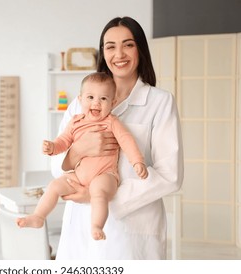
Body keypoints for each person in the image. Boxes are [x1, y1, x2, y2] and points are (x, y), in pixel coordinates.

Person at [52, 16, 184, 259]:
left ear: (140, 49)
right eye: (110, 46)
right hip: (80, 226)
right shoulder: (80, 103)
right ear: (103, 52)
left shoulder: (160, 102)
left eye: (128, 44)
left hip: (132, 231)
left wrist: (99, 195)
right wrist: (79, 151)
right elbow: (55, 163)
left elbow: (170, 175)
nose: (119, 53)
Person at [16, 73, 148, 240]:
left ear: (113, 103)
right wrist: (53, 147)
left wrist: (137, 161)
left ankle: (96, 226)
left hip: (104, 174)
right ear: (80, 99)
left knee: (99, 192)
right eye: (91, 97)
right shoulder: (75, 122)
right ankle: (38, 217)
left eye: (103, 99)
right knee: (54, 186)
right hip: (78, 176)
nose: (96, 103)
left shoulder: (111, 122)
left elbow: (126, 140)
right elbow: (64, 141)